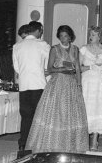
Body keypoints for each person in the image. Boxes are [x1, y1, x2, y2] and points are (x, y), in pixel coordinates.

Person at [26, 25, 88, 153]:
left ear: (70, 36)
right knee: (57, 113)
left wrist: (79, 84)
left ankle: (69, 144)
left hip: (71, 84)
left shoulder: (75, 49)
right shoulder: (54, 49)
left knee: (71, 114)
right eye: (61, 36)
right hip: (58, 83)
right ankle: (52, 143)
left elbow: (77, 68)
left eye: (65, 36)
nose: (63, 39)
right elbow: (49, 69)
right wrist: (61, 69)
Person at [12, 21, 51, 151]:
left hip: (24, 85)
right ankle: (38, 144)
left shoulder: (17, 46)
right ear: (39, 30)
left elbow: (17, 68)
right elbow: (48, 66)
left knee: (26, 116)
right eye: (41, 31)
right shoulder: (43, 45)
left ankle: (23, 143)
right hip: (39, 84)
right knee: (39, 116)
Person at [80, 25, 102, 150]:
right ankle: (83, 140)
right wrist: (90, 67)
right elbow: (77, 67)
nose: (90, 37)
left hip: (100, 83)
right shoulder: (84, 49)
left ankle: (94, 141)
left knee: (98, 109)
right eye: (90, 34)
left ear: (100, 37)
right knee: (86, 109)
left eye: (93, 35)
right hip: (87, 82)